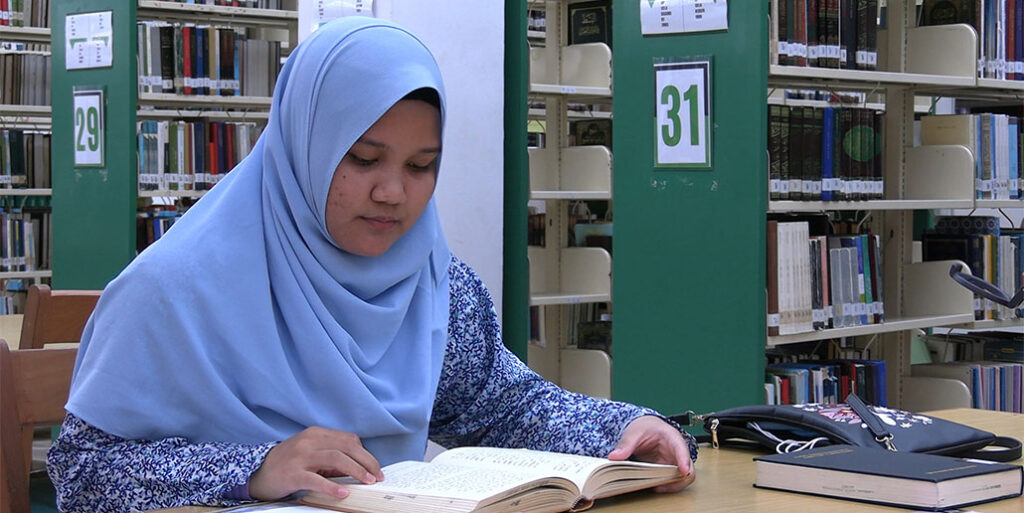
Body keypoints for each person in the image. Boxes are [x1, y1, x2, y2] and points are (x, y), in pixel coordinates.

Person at [47, 17, 697, 513]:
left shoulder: (432, 281)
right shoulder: (171, 289)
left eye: (421, 166)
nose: (393, 192)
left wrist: (623, 426)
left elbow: (496, 404)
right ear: (305, 144)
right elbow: (80, 472)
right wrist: (254, 467)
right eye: (363, 159)